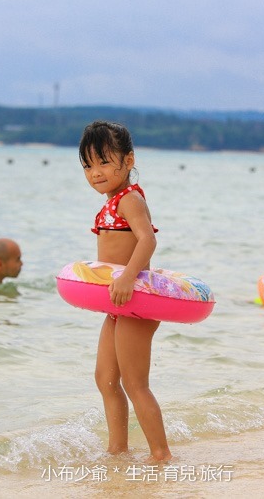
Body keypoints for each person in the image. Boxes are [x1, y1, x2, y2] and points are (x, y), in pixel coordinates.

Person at [78, 120, 171, 462]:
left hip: (136, 304)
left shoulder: (130, 199)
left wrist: (129, 276)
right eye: (88, 165)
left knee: (135, 384)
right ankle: (117, 450)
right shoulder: (110, 201)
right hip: (117, 306)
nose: (95, 172)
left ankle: (161, 454)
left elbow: (147, 240)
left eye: (103, 161)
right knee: (105, 379)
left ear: (128, 161)